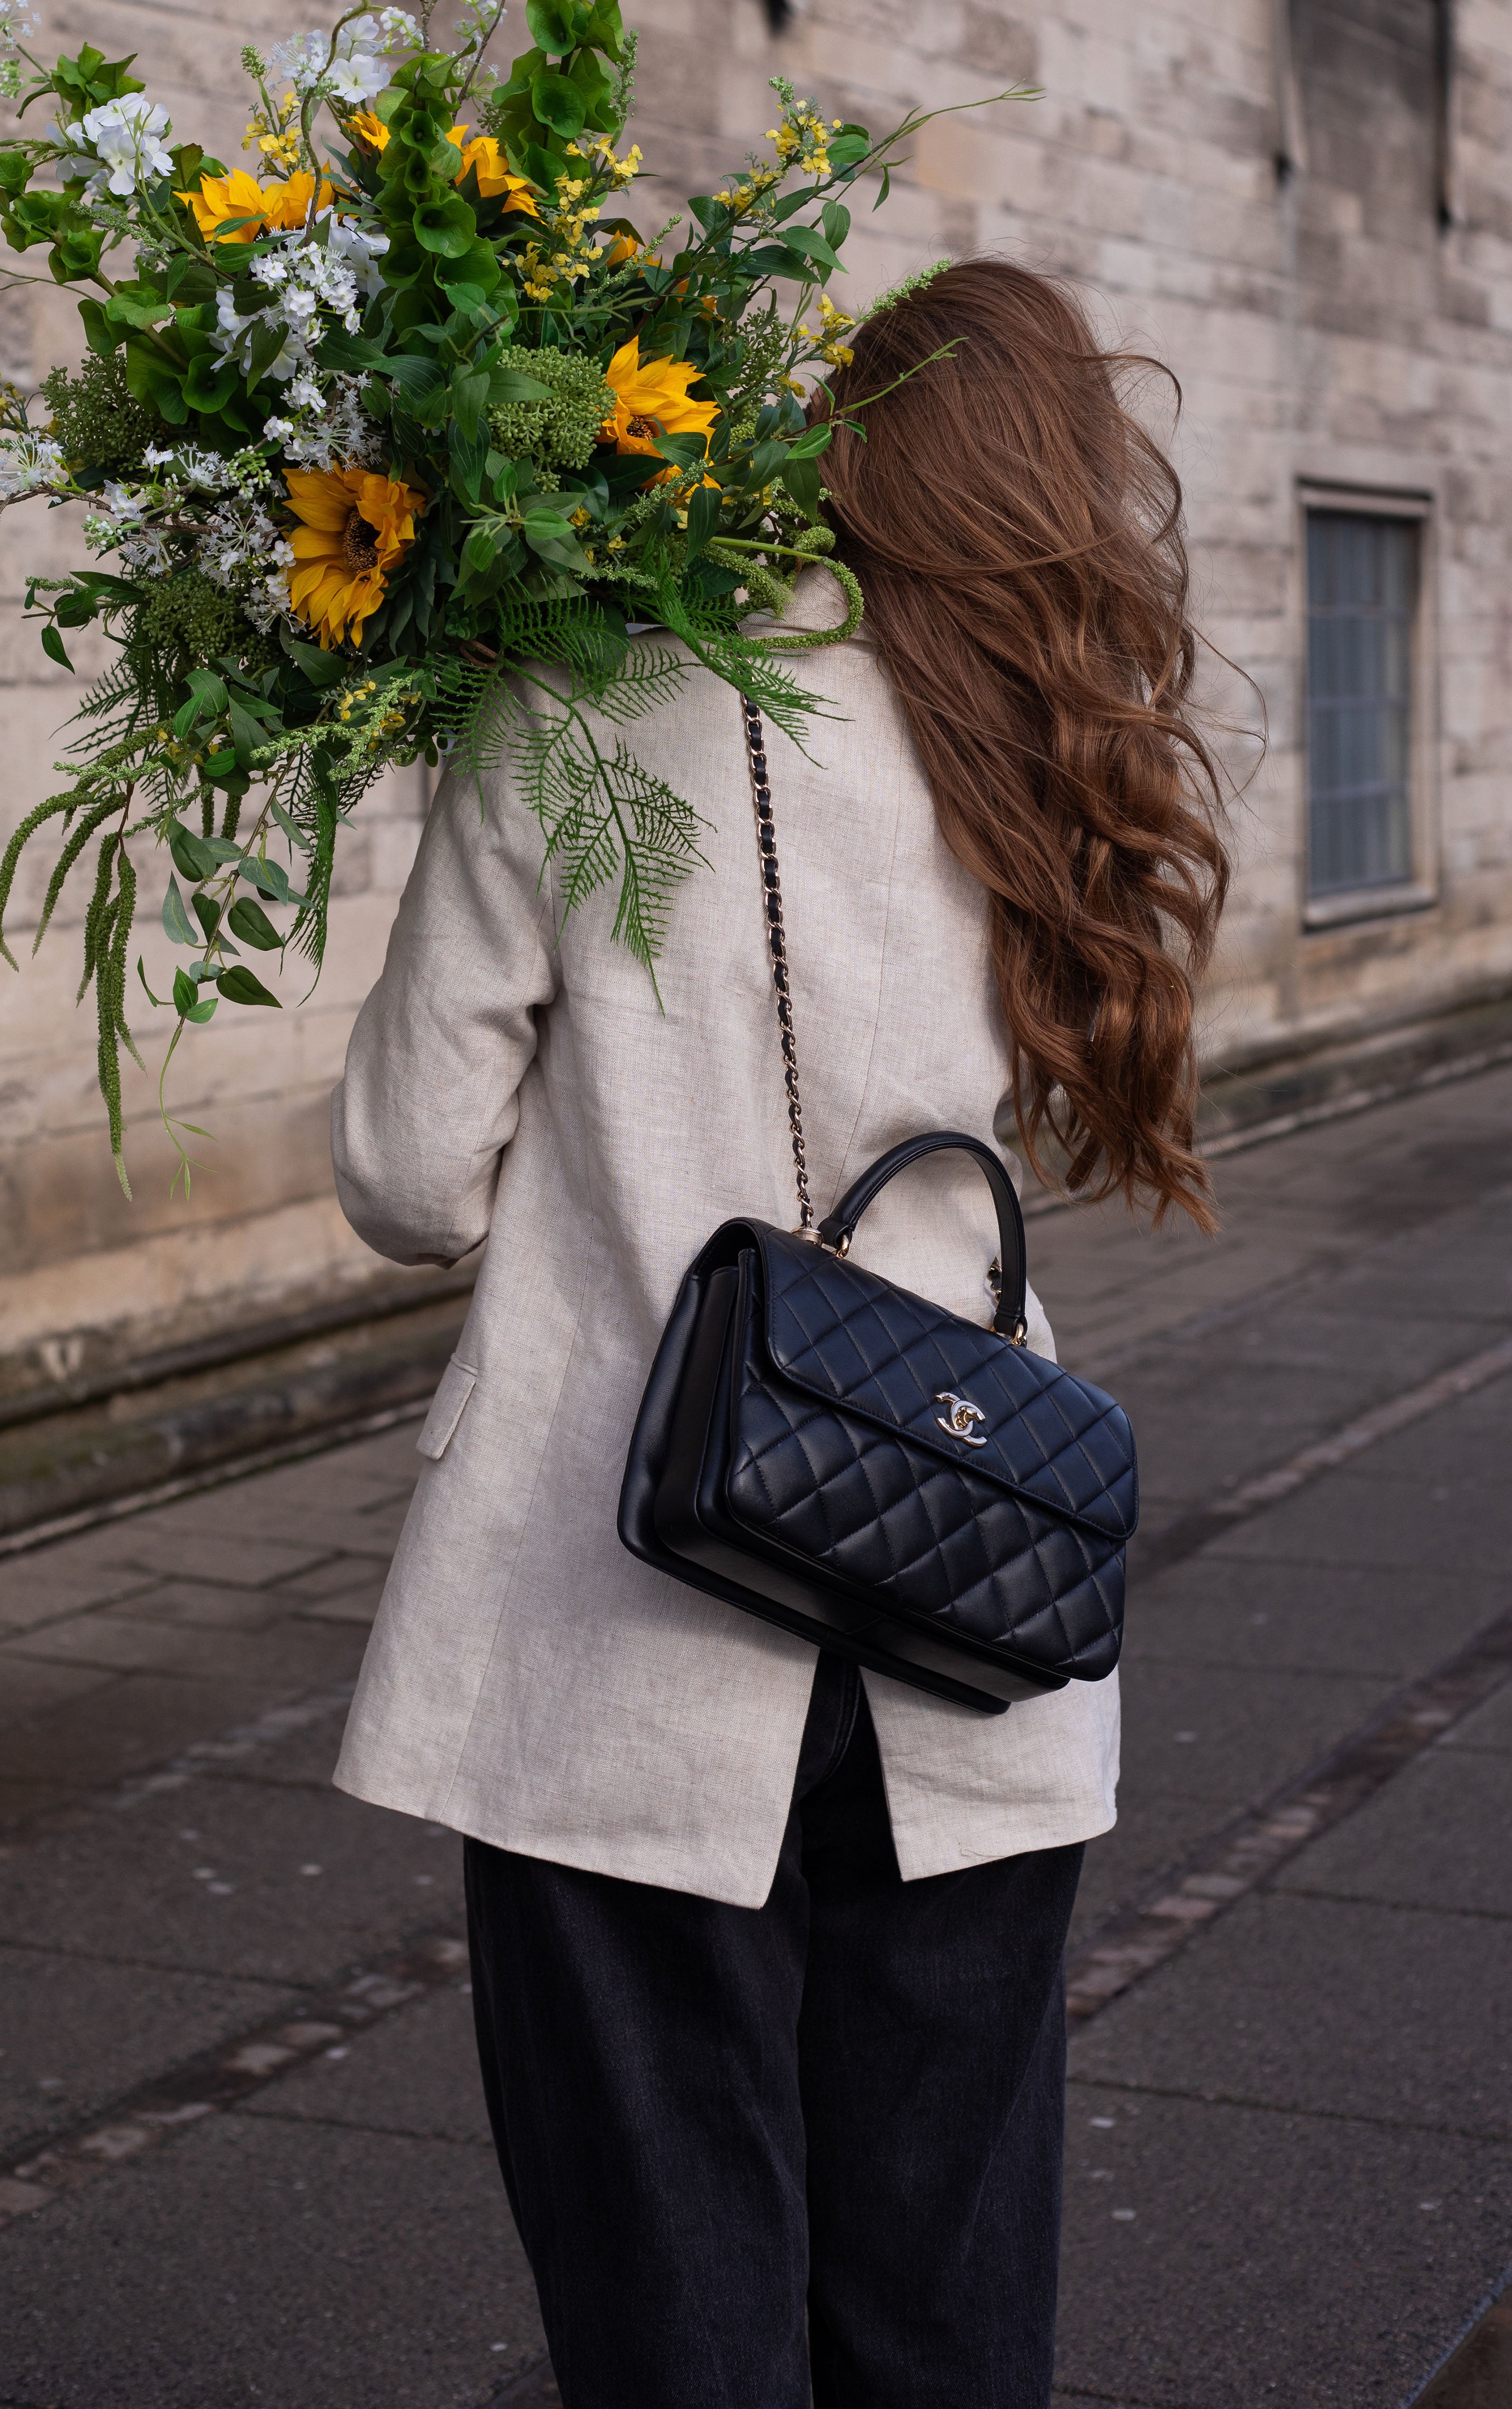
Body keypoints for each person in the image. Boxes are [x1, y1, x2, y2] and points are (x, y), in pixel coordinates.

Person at [329, 256, 1231, 2407]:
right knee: (942, 2284)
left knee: (669, 2279)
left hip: (619, 1589)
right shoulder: (1052, 736)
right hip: (964, 1578)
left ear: (822, 443)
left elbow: (406, 1169)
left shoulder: (583, 693)